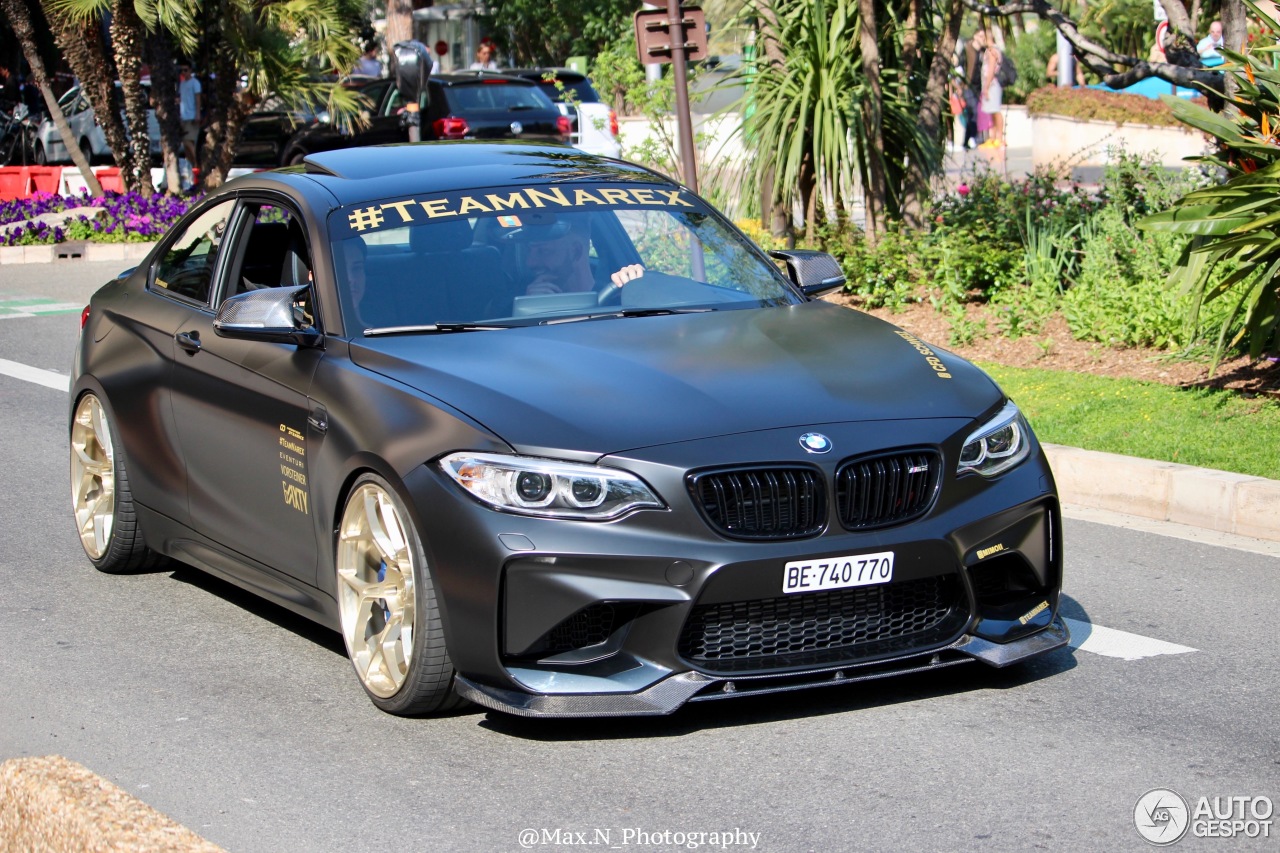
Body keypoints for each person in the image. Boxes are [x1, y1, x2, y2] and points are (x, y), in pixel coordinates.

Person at [519, 217, 643, 295]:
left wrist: (638, 281)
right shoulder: (510, 307)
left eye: (543, 252)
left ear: (576, 252)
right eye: (529, 251)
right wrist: (528, 309)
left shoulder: (618, 298)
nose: (530, 262)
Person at [961, 29, 987, 149]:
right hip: (968, 86)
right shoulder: (967, 49)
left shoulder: (983, 51)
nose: (983, 38)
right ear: (975, 36)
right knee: (975, 112)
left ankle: (966, 141)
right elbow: (960, 66)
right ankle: (975, 138)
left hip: (979, 87)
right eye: (981, 36)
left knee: (972, 115)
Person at [178, 63, 202, 174]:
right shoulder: (182, 84)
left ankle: (196, 163)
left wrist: (197, 114)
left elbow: (198, 99)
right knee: (185, 143)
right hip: (183, 116)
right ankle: (191, 165)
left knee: (188, 140)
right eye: (181, 70)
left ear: (190, 70)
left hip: (192, 116)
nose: (183, 72)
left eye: (185, 70)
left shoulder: (195, 83)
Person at [979, 42, 1004, 148]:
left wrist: (986, 87)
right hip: (990, 84)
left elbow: (991, 70)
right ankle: (992, 138)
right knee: (991, 111)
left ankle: (999, 138)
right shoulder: (989, 50)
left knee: (995, 110)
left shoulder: (992, 51)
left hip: (992, 84)